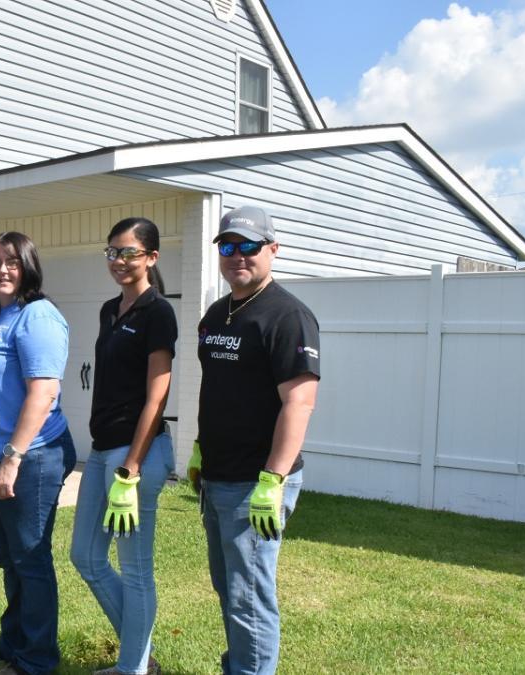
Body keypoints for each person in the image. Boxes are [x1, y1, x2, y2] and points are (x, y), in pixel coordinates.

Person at [191, 205, 320, 675]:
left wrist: (273, 479)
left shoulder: (289, 316)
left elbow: (300, 403)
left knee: (249, 596)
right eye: (228, 246)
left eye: (249, 246)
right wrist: (201, 449)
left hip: (256, 483)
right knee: (229, 588)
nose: (237, 256)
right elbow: (218, 389)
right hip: (218, 477)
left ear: (272, 250)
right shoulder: (216, 314)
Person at [0, 232, 75, 675]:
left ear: (28, 266)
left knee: (30, 556)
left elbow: (43, 391)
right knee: (10, 556)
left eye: (11, 261)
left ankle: (39, 659)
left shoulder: (37, 315)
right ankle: (15, 642)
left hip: (32, 456)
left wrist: (12, 457)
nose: (2, 269)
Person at [71, 217, 178, 675]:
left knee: (135, 569)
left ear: (151, 257)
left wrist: (130, 469)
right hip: (101, 450)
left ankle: (132, 667)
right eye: (112, 251)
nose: (119, 260)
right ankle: (139, 654)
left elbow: (158, 395)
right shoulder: (108, 309)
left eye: (129, 252)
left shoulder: (158, 312)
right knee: (86, 556)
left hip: (136, 456)